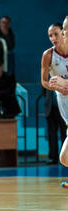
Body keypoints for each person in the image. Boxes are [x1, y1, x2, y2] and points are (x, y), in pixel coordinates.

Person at [42, 17, 68, 187]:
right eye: (50, 35)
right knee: (64, 158)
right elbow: (44, 81)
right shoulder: (48, 55)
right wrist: (55, 87)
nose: (54, 38)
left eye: (57, 33)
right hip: (63, 101)